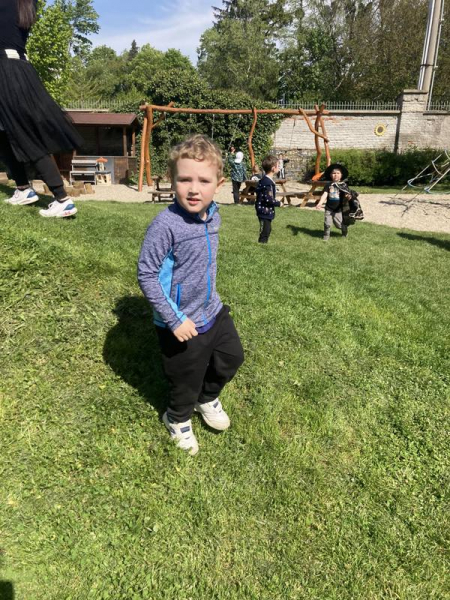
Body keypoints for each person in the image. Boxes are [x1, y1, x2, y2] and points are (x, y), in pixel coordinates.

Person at [138, 134, 244, 456]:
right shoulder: (165, 226)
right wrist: (174, 319)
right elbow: (146, 274)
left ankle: (206, 398)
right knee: (186, 377)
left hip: (212, 309)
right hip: (181, 320)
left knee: (231, 357)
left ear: (219, 184)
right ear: (172, 180)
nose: (194, 189)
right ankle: (177, 417)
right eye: (185, 179)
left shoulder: (213, 215)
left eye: (203, 180)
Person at [0, 0, 83, 218]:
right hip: (19, 69)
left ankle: (62, 199)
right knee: (3, 133)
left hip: (6, 71)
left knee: (26, 135)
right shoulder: (26, 3)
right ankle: (23, 189)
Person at [315, 163, 353, 241]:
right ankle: (326, 236)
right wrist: (320, 203)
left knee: (339, 225)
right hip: (329, 208)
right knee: (327, 223)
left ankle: (344, 231)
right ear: (330, 175)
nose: (336, 175)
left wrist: (348, 197)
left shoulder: (343, 185)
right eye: (334, 173)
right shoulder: (328, 185)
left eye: (338, 173)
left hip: (338, 209)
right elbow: (325, 194)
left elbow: (347, 194)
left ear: (341, 175)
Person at [255, 155, 281, 244]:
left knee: (267, 229)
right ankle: (261, 244)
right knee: (265, 231)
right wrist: (278, 203)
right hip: (264, 211)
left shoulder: (265, 180)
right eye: (278, 166)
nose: (279, 167)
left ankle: (263, 244)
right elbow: (268, 199)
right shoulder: (267, 183)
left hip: (265, 210)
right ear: (273, 168)